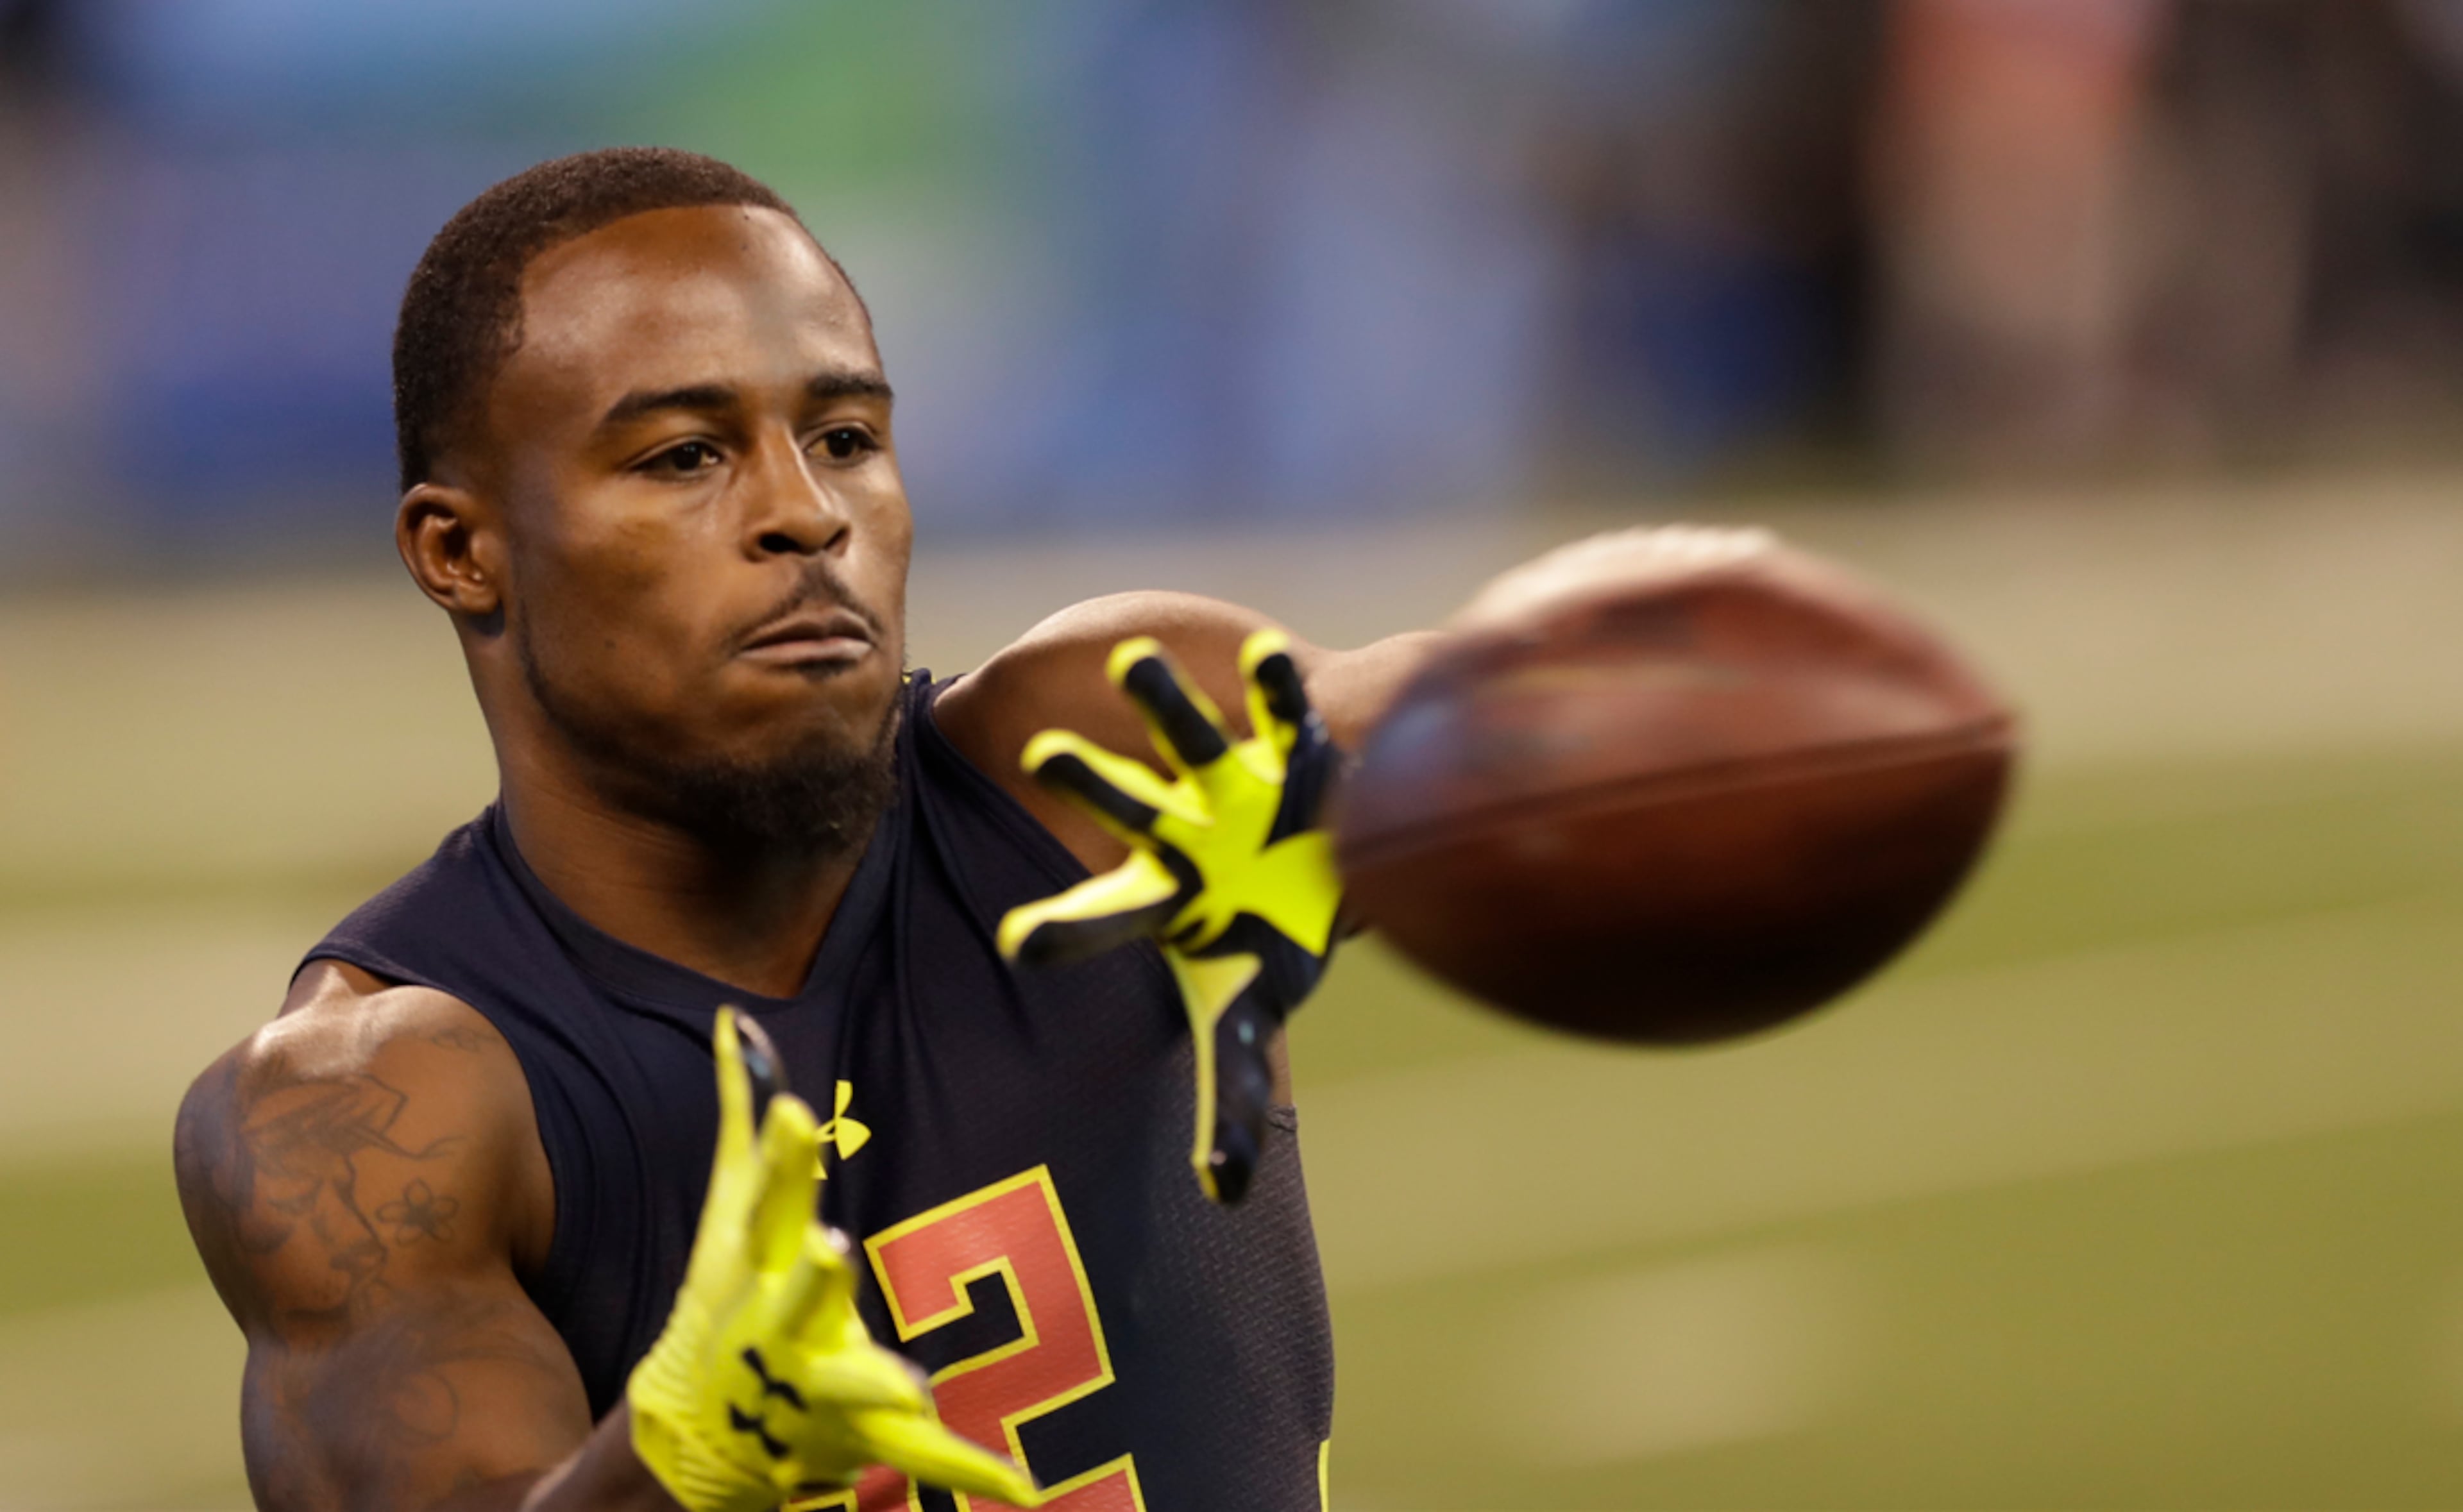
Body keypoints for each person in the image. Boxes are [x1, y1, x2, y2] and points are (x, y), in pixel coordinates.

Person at [171, 146, 1493, 1512]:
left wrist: (1417, 794)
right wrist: (663, 1464)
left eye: (847, 438)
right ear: (461, 550)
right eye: (685, 456)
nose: (807, 512)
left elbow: (1579, 722)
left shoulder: (1100, 772)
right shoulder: (373, 1107)